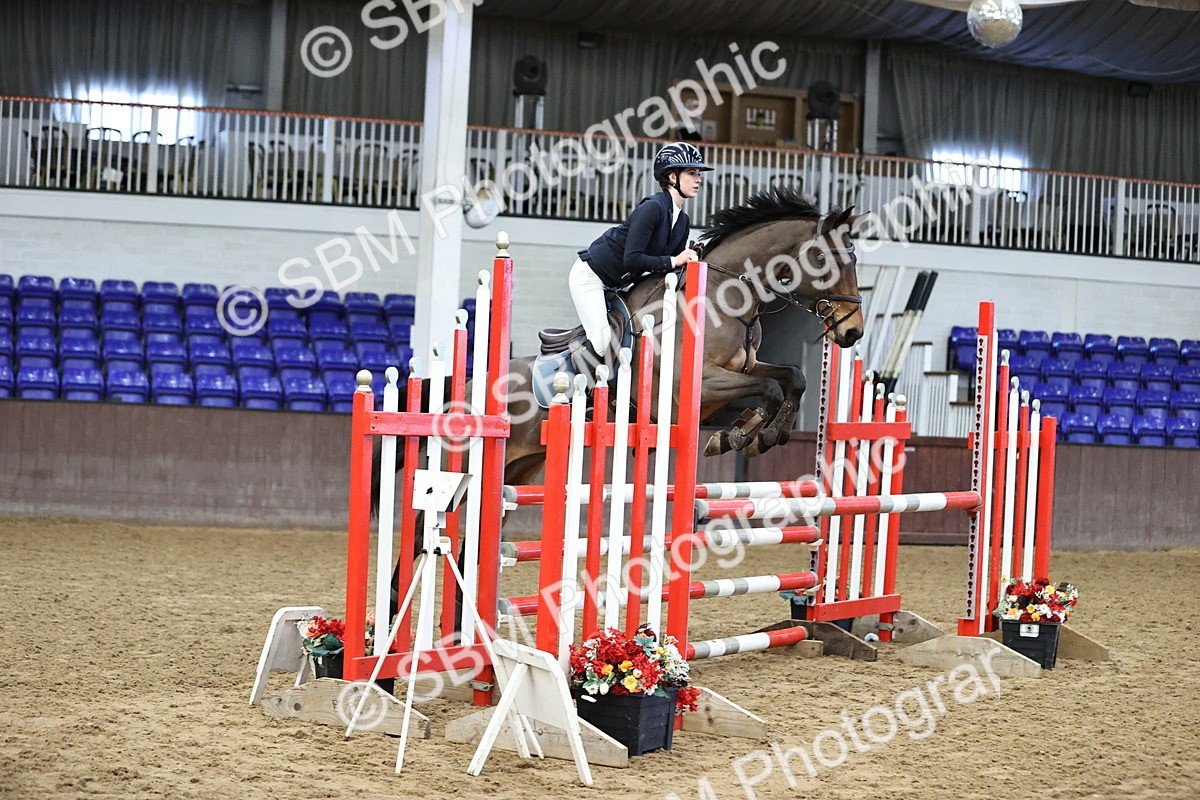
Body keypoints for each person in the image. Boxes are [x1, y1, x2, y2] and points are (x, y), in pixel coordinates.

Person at [569, 142, 712, 364]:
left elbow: (667, 270)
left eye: (699, 173)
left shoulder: (683, 221)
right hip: (591, 277)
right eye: (692, 173)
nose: (698, 179)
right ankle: (574, 387)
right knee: (602, 340)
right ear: (673, 177)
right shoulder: (652, 208)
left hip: (620, 283)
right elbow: (633, 259)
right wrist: (676, 259)